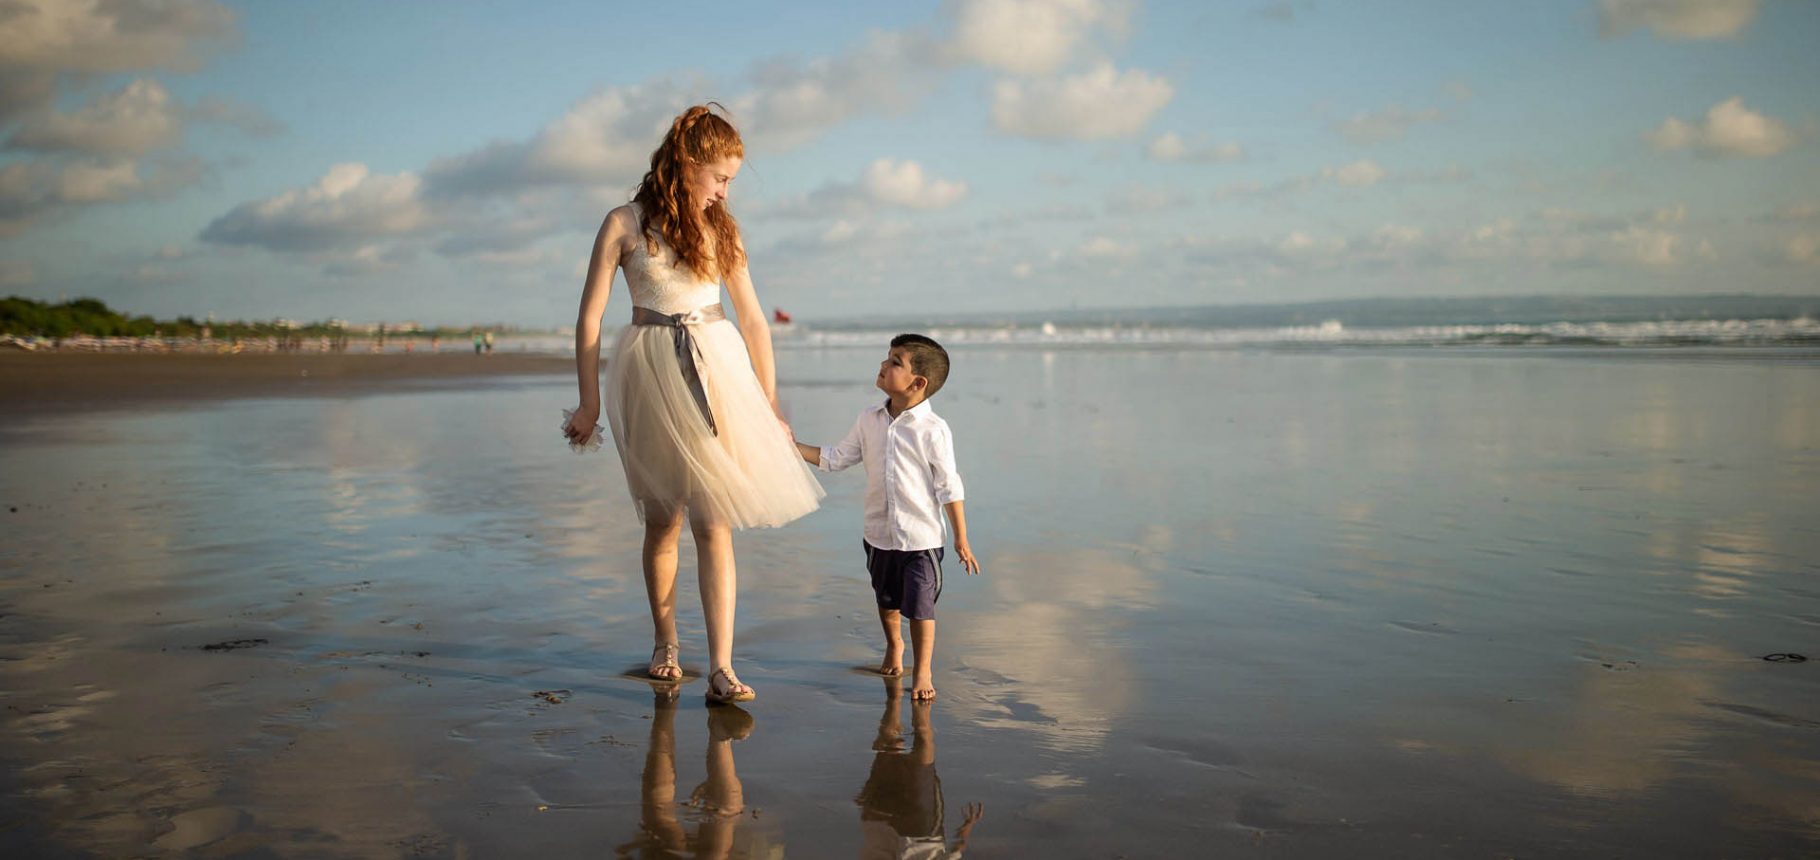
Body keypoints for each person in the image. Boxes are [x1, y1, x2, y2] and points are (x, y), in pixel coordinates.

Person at [565, 104, 823, 704]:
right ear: (686, 165)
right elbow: (589, 318)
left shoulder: (722, 230)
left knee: (715, 521)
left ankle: (723, 667)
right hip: (650, 371)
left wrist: (771, 404)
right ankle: (665, 643)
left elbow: (755, 322)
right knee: (664, 520)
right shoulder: (624, 223)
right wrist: (588, 403)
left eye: (731, 180)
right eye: (720, 178)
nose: (725, 191)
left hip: (717, 369)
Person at [796, 334, 980, 701]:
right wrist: (790, 446)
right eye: (887, 357)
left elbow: (949, 486)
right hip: (878, 533)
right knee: (887, 599)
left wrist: (961, 537)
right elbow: (836, 458)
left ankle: (924, 669)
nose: (883, 365)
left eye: (895, 361)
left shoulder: (933, 430)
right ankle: (894, 645)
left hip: (921, 538)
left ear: (918, 383)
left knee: (921, 605)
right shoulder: (869, 419)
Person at [857, 677, 985, 858]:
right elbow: (956, 851)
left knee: (913, 749)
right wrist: (966, 829)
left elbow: (957, 851)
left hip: (912, 832)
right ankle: (896, 701)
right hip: (898, 828)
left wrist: (966, 828)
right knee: (894, 752)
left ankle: (899, 701)